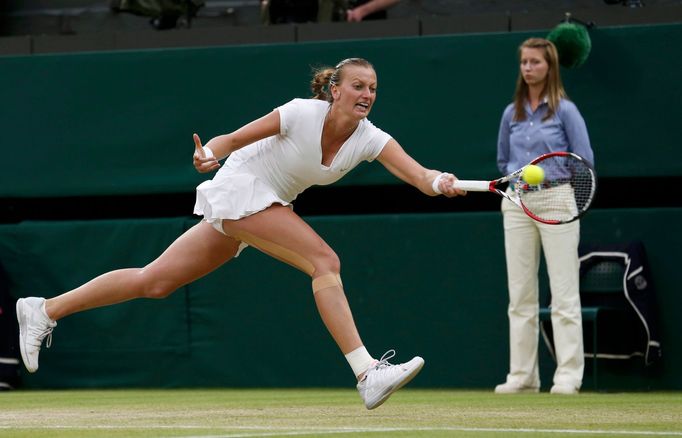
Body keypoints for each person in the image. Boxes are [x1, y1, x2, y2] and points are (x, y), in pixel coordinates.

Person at [15, 57, 465, 410]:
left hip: (265, 206)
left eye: (372, 89)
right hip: (242, 189)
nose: (367, 94)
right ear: (334, 89)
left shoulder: (370, 138)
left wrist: (440, 180)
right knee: (325, 262)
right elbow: (232, 139)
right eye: (357, 86)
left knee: (155, 281)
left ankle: (44, 309)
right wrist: (208, 153)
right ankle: (367, 373)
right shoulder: (300, 113)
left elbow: (419, 176)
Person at [494, 38, 594, 395]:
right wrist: (518, 177)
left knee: (564, 294)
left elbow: (584, 160)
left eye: (535, 62)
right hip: (517, 202)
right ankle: (522, 377)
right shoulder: (512, 113)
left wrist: (549, 174)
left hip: (557, 201)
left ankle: (568, 376)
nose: (528, 68)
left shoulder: (566, 110)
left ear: (549, 67)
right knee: (520, 295)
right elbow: (503, 160)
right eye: (524, 62)